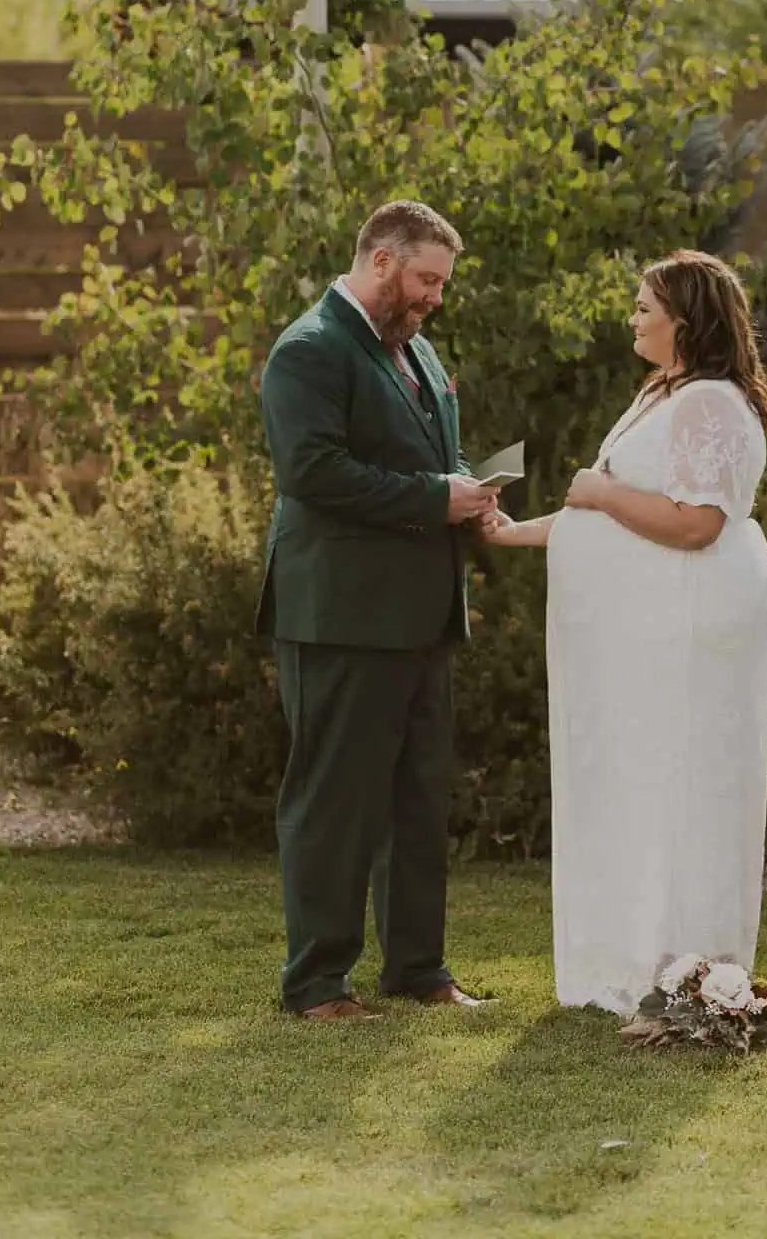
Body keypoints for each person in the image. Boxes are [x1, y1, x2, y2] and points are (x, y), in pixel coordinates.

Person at [484, 249, 767, 1014]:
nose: (633, 318)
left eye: (645, 306)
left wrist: (603, 491)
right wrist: (517, 533)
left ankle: (683, 959)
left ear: (685, 319)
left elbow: (695, 523)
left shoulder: (710, 402)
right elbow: (604, 510)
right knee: (646, 780)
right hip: (651, 630)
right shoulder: (662, 393)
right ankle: (642, 953)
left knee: (680, 780)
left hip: (688, 626)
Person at [256, 199, 497, 1021]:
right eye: (427, 279)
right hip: (339, 617)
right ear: (383, 261)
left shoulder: (416, 351)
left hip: (422, 616)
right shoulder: (309, 351)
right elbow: (312, 473)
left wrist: (470, 490)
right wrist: (438, 498)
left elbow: (429, 456)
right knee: (335, 802)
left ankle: (418, 970)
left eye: (441, 284)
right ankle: (317, 984)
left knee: (418, 799)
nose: (435, 298)